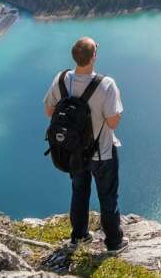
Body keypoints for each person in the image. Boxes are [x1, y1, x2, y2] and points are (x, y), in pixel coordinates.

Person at [43, 36, 125, 251]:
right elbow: (113, 122)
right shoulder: (106, 85)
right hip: (102, 153)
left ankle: (79, 237)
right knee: (107, 197)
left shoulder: (61, 79)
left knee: (79, 192)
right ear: (94, 57)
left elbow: (49, 111)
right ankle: (114, 243)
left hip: (75, 152)